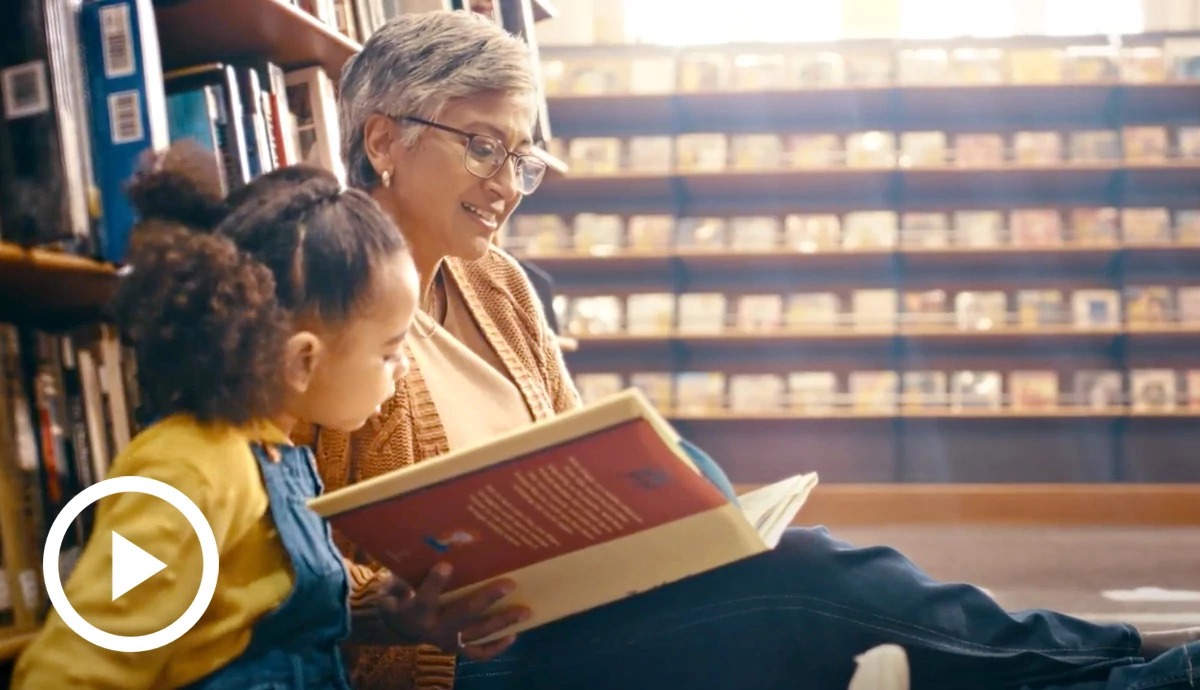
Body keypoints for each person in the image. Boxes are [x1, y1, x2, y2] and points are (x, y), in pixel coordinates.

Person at [313, 10, 1200, 690]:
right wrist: (390, 613)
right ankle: (1138, 669)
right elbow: (279, 552)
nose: (508, 184)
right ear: (384, 139)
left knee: (749, 539)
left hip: (573, 606)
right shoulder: (320, 293)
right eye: (482, 147)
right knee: (804, 582)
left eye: (522, 158)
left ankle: (1119, 671)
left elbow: (563, 457)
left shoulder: (496, 283)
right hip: (466, 661)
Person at [13, 144, 421, 689]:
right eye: (391, 350)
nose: (405, 368)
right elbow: (69, 673)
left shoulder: (274, 450)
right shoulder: (188, 471)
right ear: (302, 359)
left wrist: (387, 608)